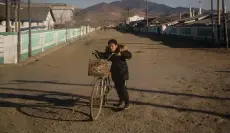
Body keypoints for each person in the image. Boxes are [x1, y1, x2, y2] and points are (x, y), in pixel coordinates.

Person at [94, 39, 132, 110]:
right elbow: (103, 55)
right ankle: (121, 101)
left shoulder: (121, 51)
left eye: (112, 46)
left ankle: (127, 103)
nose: (111, 47)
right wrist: (97, 53)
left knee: (123, 89)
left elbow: (129, 55)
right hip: (114, 73)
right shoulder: (109, 53)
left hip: (122, 73)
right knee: (117, 88)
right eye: (110, 46)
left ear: (116, 45)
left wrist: (121, 53)